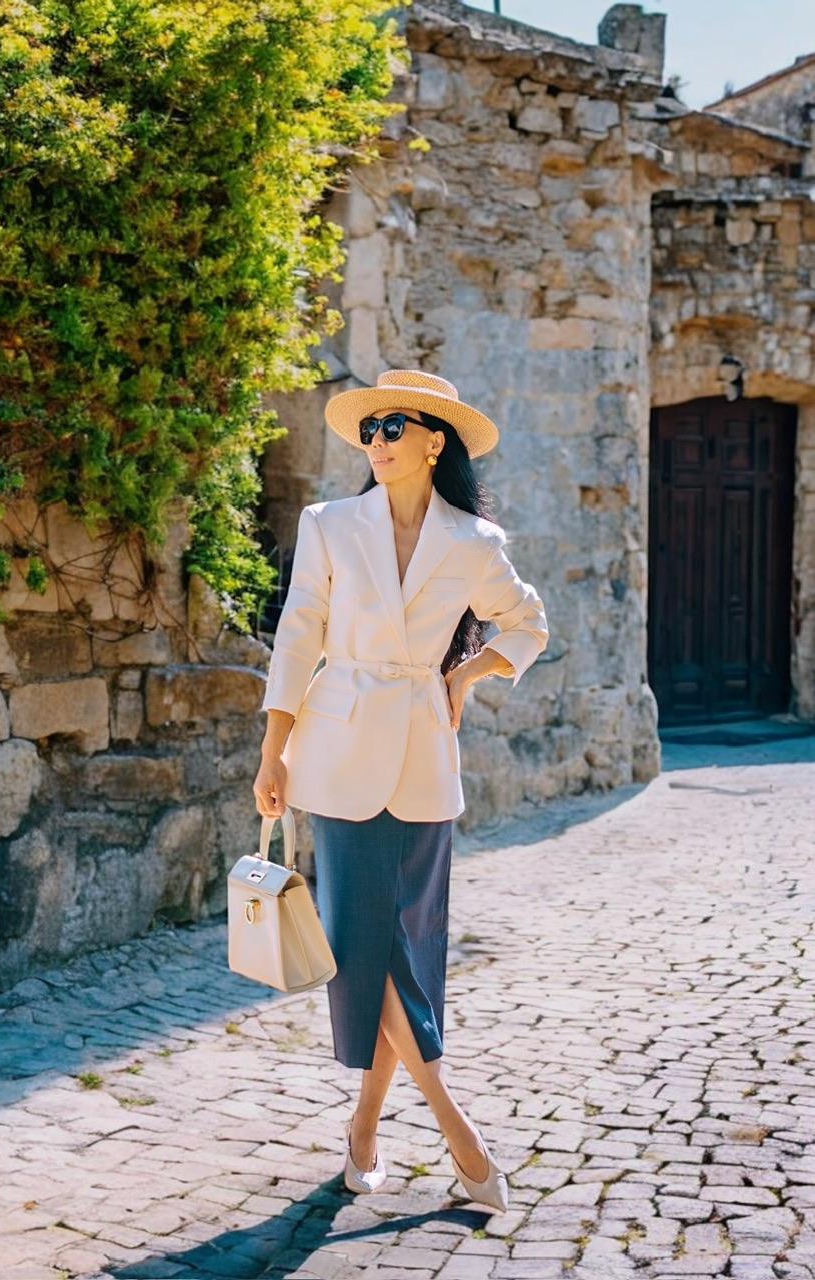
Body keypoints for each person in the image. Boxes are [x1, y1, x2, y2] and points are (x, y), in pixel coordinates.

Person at [253, 369, 548, 1211]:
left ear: (433, 441)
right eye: (369, 428)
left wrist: (468, 674)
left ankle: (363, 1130)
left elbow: (528, 623)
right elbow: (298, 632)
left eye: (394, 427)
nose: (376, 442)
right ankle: (460, 1134)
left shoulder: (473, 543)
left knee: (407, 951)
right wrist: (274, 752)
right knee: (367, 947)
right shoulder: (329, 525)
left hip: (423, 762)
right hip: (337, 757)